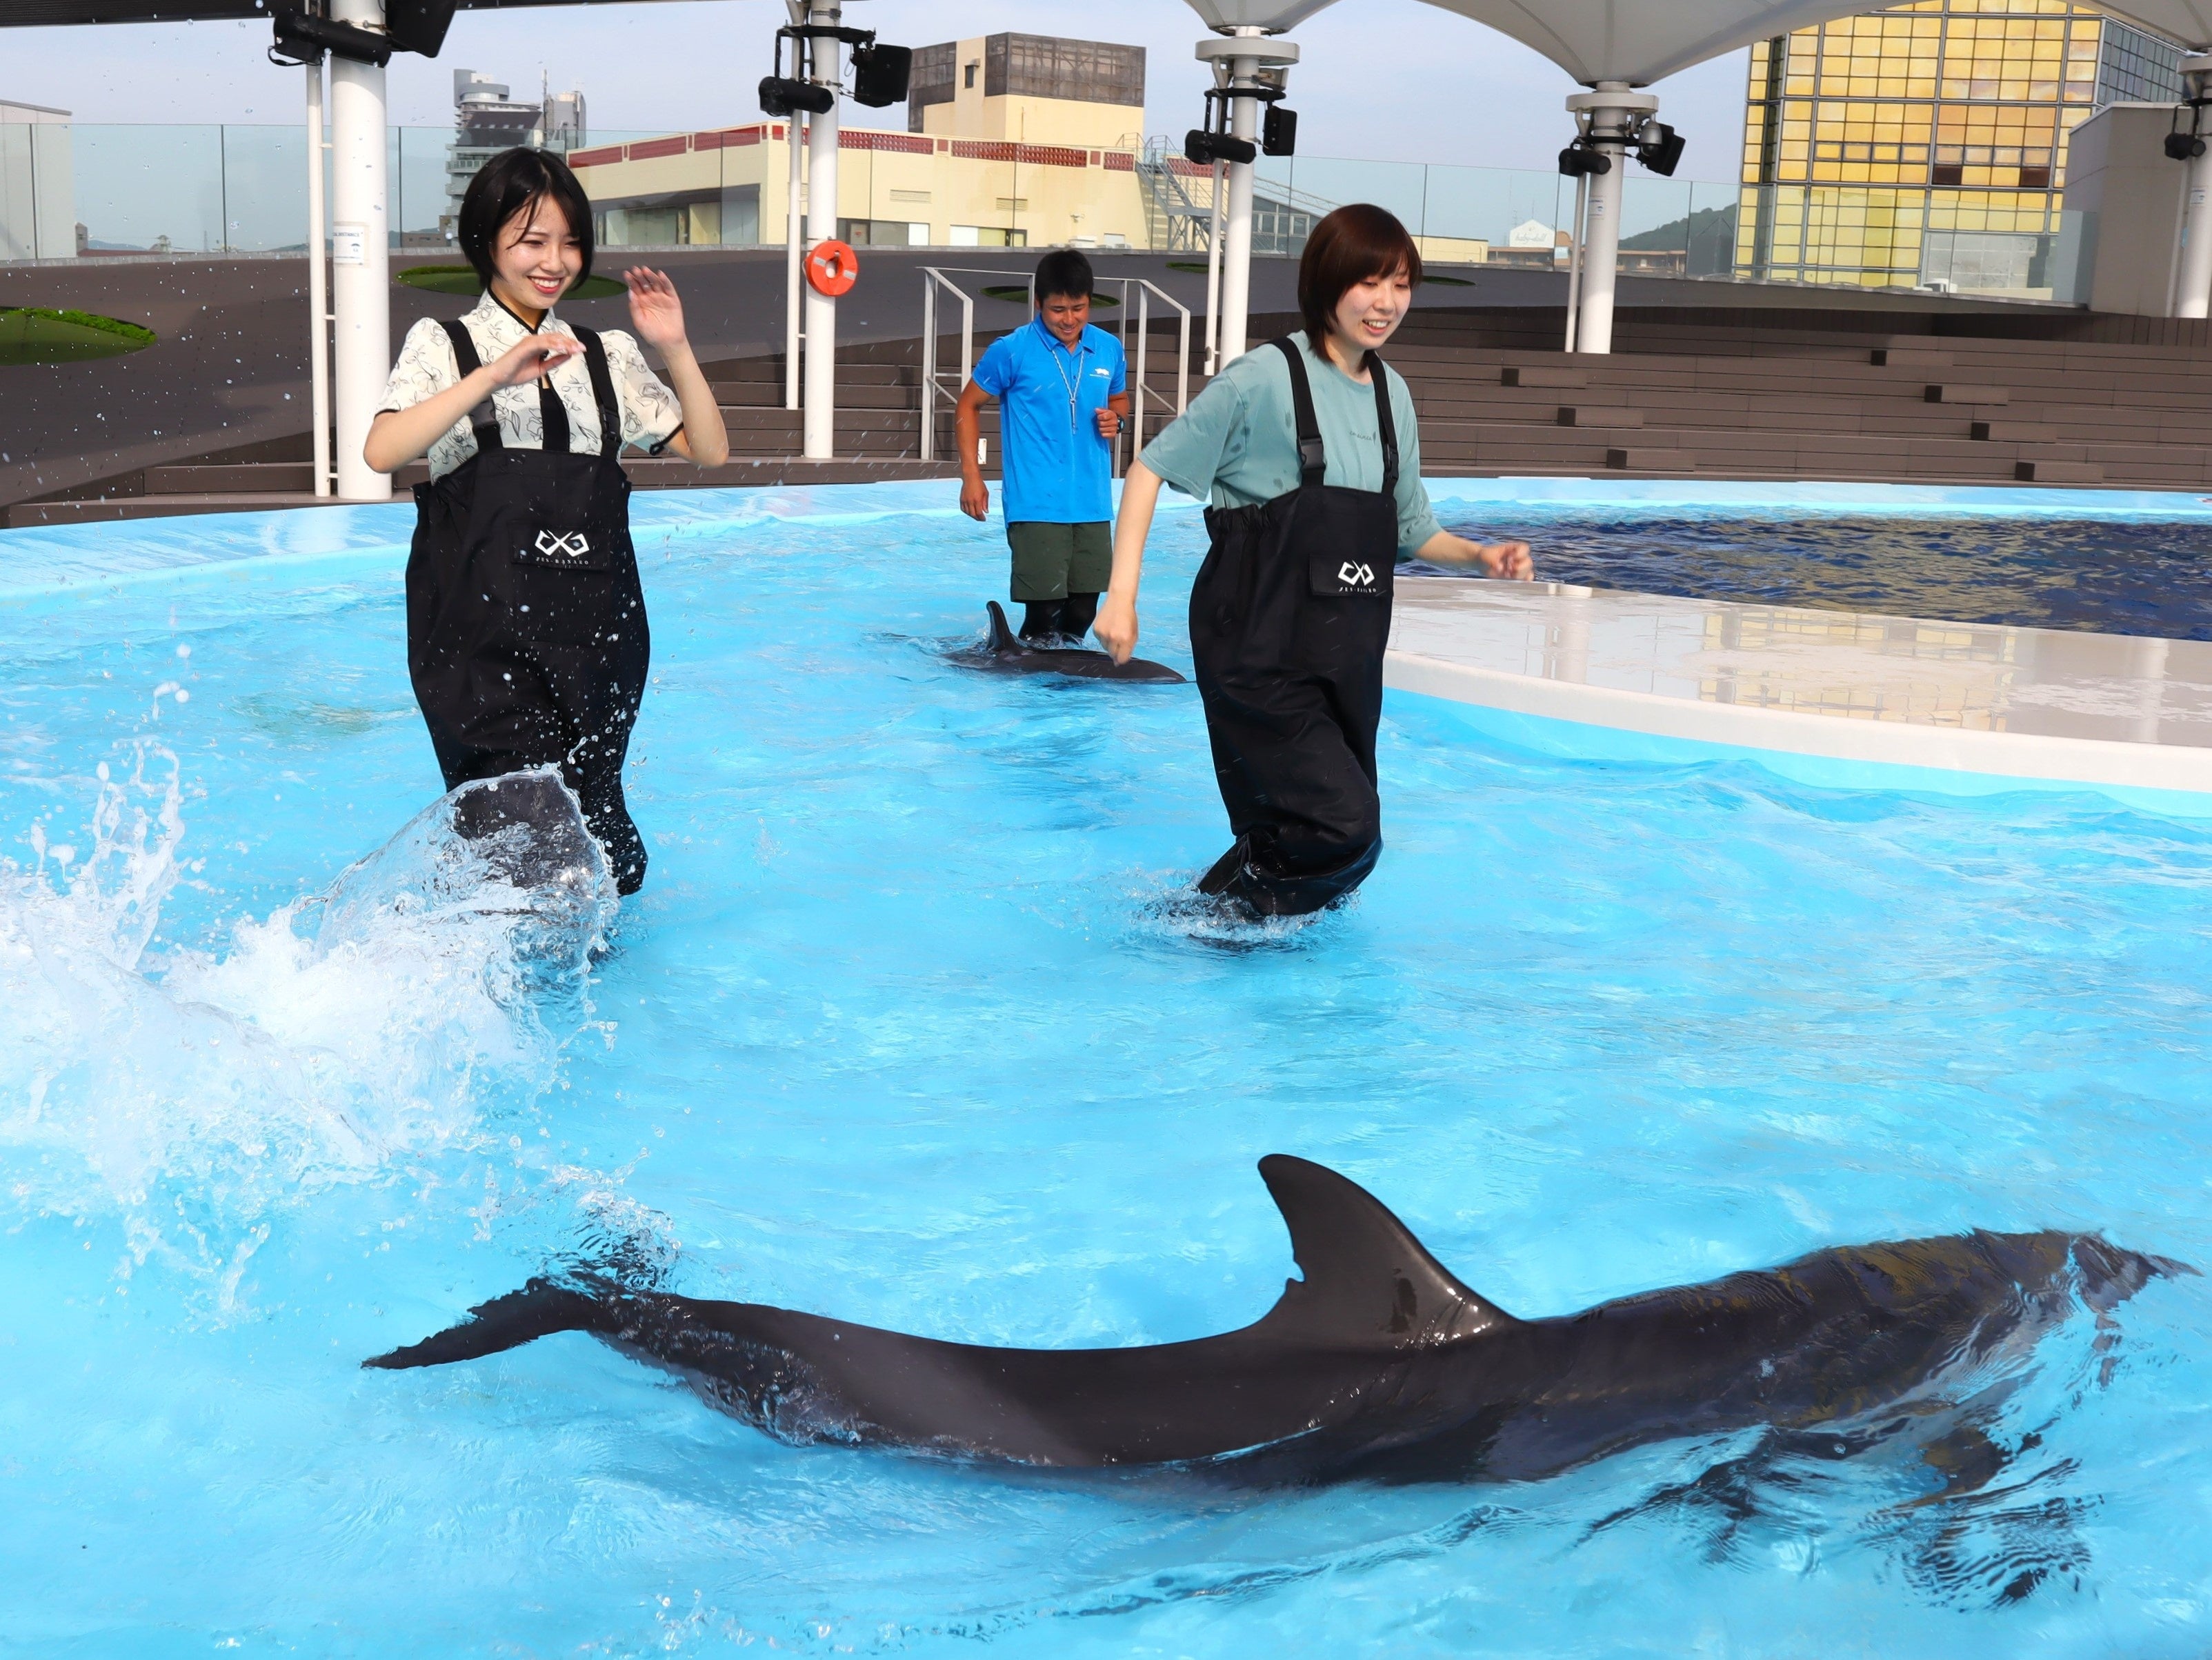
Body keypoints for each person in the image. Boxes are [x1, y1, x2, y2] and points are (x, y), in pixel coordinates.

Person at [1095, 204, 1533, 918]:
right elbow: (1149, 469)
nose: (1385, 302)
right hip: (1257, 644)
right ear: (1326, 282)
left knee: (1320, 840)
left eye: (1400, 284)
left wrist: (1479, 556)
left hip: (1344, 653)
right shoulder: (1262, 379)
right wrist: (1121, 596)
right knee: (1347, 828)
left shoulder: (1394, 395)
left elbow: (1410, 526)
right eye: (1368, 282)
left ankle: (1208, 931)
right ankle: (1215, 925)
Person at [363, 148, 728, 897]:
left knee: (605, 853)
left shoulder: (606, 354)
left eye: (568, 242)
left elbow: (711, 451)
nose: (554, 261)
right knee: (527, 837)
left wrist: (676, 348)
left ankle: (573, 1000)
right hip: (481, 642)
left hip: (596, 637)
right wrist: (493, 376)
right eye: (533, 241)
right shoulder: (446, 345)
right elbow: (383, 449)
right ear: (485, 243)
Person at [955, 248, 1132, 643]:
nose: (1069, 319)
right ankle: (1032, 698)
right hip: (1035, 502)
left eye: (1078, 308)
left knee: (1084, 611)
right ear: (1039, 304)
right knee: (1044, 617)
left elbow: (1119, 400)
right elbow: (967, 404)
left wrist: (1116, 419)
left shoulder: (1108, 349)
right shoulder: (1012, 350)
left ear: (1090, 302)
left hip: (1092, 501)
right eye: (1058, 309)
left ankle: (1061, 697)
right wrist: (972, 476)